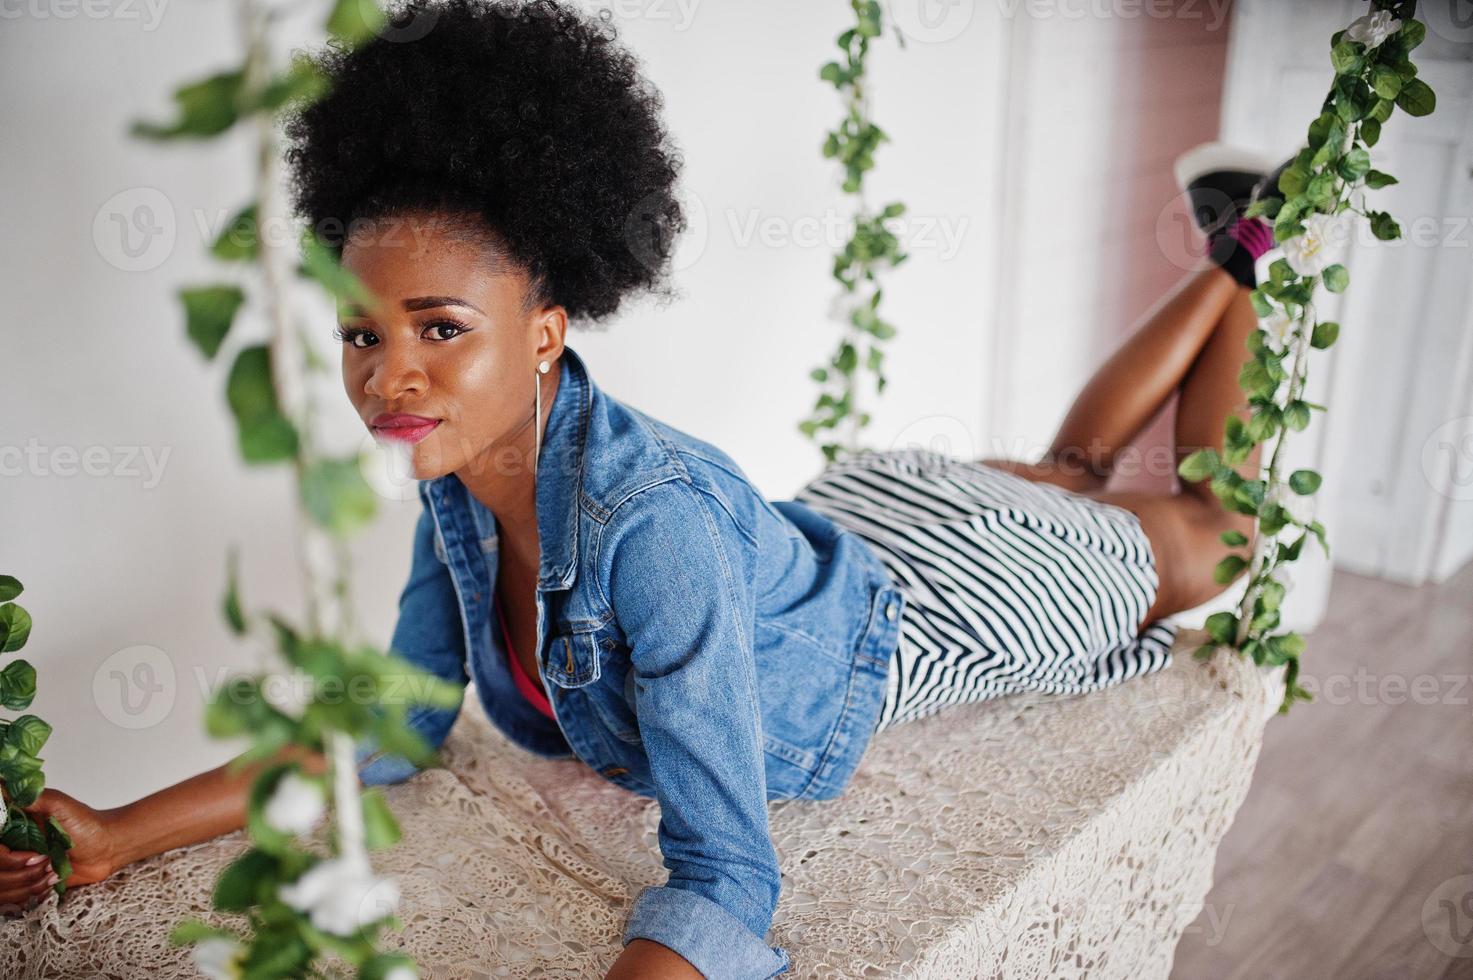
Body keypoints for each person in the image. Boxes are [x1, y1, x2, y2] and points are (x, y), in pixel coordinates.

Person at [0, 2, 1284, 977]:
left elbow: (727, 871)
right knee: (1063, 472)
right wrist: (115, 829)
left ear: (548, 329)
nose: (389, 375)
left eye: (441, 327)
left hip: (943, 600)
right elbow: (391, 728)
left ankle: (1251, 253)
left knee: (1221, 530)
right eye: (360, 333)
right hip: (850, 514)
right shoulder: (454, 492)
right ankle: (1237, 239)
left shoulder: (650, 529)